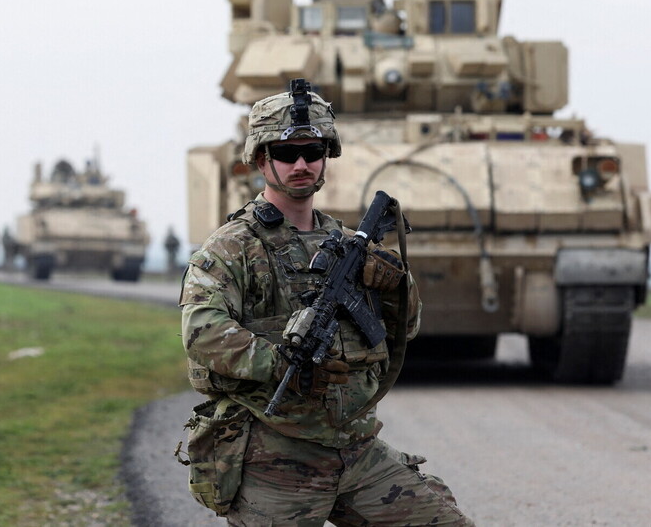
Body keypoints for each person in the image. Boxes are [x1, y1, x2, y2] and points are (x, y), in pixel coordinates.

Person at [179, 82, 475, 525]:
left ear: (326, 156)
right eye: (286, 153)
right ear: (261, 159)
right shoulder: (232, 246)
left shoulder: (349, 244)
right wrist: (279, 364)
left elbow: (407, 328)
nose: (301, 164)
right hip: (277, 455)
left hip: (356, 450)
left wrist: (395, 287)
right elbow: (201, 332)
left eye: (312, 151)